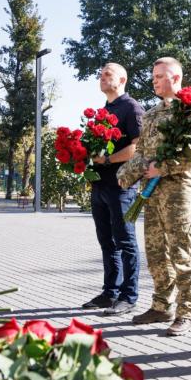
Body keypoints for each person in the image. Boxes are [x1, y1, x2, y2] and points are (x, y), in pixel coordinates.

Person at [117, 58, 191, 336]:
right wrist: (126, 174)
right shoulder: (151, 114)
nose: (154, 81)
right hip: (151, 194)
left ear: (176, 78)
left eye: (160, 76)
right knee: (155, 252)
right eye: (153, 76)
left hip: (177, 193)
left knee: (181, 252)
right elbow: (141, 153)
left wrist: (163, 167)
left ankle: (186, 312)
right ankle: (161, 305)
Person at [81, 62, 145, 316]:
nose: (102, 78)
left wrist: (107, 160)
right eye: (101, 75)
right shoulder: (103, 112)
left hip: (122, 186)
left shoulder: (131, 108)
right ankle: (110, 292)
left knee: (125, 241)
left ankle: (129, 296)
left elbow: (137, 148)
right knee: (107, 242)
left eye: (108, 74)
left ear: (123, 79)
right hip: (100, 185)